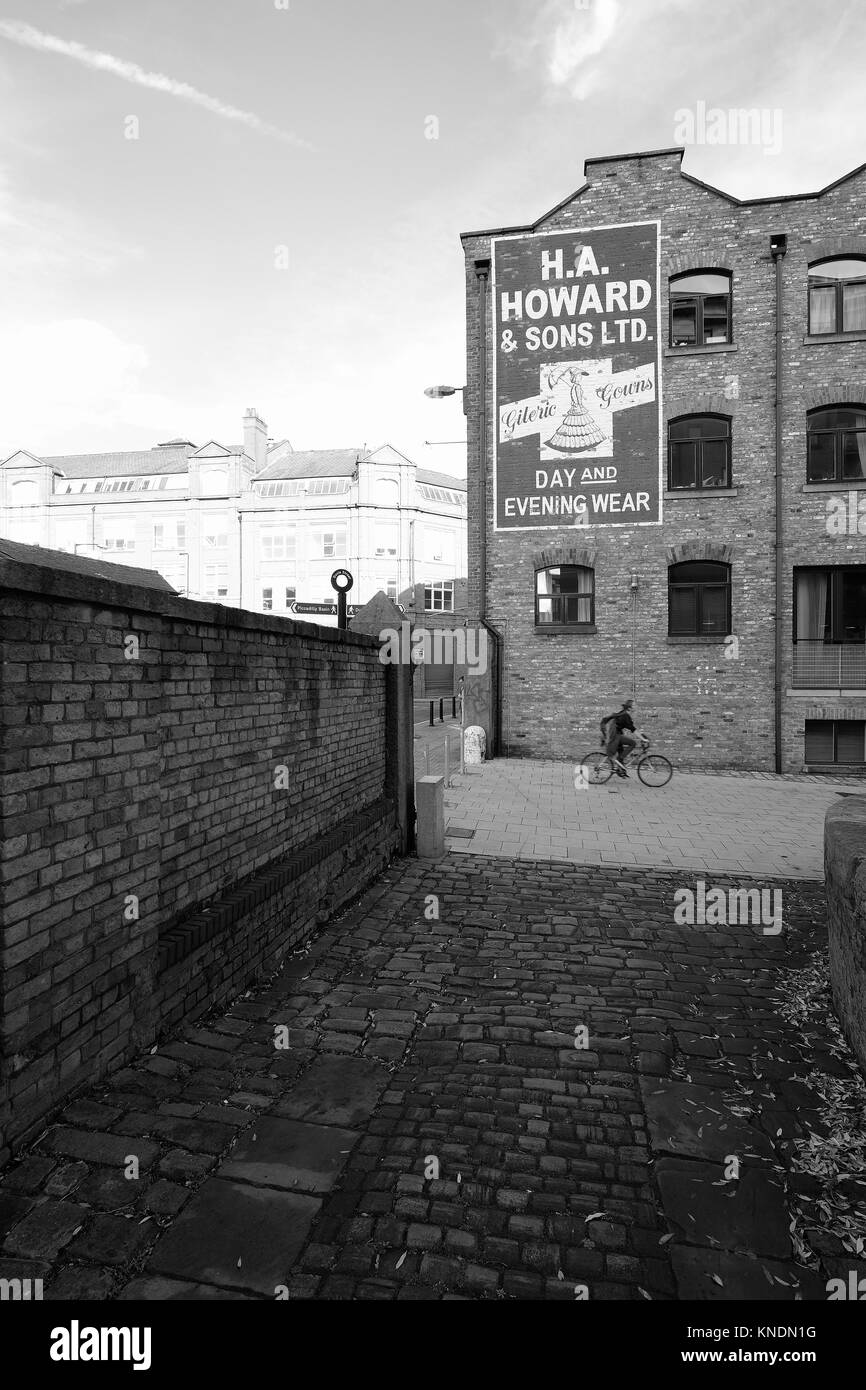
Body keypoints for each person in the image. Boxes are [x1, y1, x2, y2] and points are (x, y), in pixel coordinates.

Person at [600, 699, 639, 777]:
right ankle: (619, 762)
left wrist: (642, 736)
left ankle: (620, 770)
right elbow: (633, 729)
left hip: (616, 735)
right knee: (633, 743)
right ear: (630, 708)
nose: (636, 706)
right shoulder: (625, 715)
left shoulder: (624, 714)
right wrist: (643, 739)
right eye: (634, 705)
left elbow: (632, 728)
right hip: (615, 736)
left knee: (621, 752)